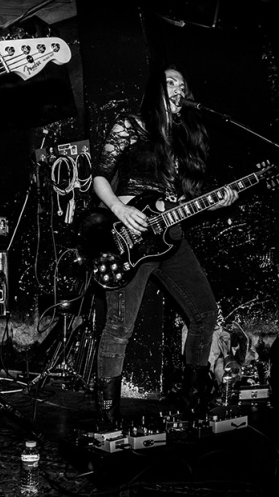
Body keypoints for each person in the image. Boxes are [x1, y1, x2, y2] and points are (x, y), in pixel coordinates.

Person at [90, 64, 238, 428]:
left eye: (182, 85)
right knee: (120, 327)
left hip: (170, 237)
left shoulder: (184, 138)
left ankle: (193, 401)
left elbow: (184, 198)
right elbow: (99, 177)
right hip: (130, 236)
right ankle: (108, 414)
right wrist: (120, 209)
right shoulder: (131, 124)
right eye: (170, 83)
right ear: (156, 90)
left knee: (205, 313)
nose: (178, 89)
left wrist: (216, 201)